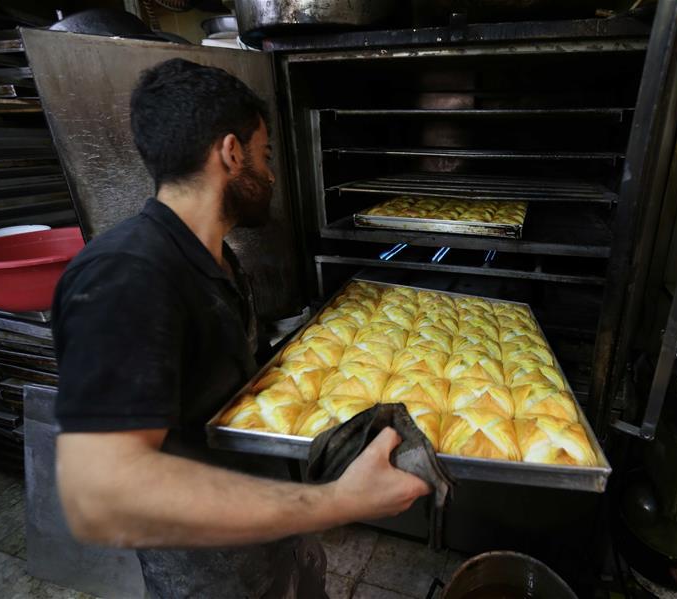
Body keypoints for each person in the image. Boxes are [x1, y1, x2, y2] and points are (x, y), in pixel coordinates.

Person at [51, 58, 431, 599]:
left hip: (271, 537)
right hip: (211, 573)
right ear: (232, 153)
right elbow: (103, 492)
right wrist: (338, 502)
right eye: (265, 155)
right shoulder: (126, 276)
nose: (271, 174)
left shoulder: (212, 258)